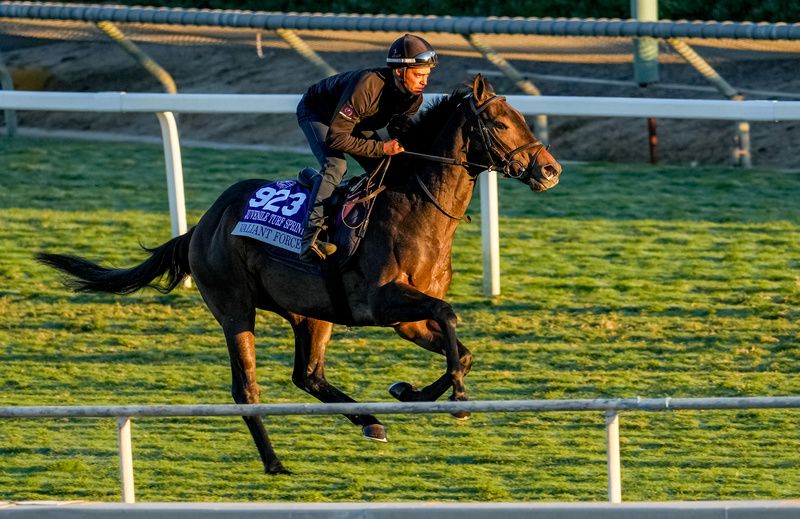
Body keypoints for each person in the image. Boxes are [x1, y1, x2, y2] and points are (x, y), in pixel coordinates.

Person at [295, 33, 437, 261]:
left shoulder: (413, 98)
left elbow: (400, 134)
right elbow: (337, 139)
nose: (424, 81)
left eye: (427, 75)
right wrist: (382, 149)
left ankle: (324, 189)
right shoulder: (367, 86)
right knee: (335, 167)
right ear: (400, 72)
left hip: (356, 121)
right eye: (419, 75)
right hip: (318, 114)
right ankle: (309, 238)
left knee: (389, 168)